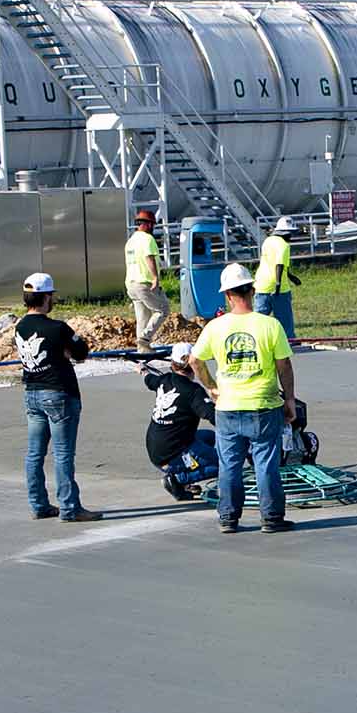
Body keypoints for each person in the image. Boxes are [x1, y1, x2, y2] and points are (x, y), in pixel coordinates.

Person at [187, 262, 296, 535]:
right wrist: (290, 401)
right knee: (265, 463)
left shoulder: (215, 327)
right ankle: (271, 517)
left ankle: (228, 518)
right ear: (252, 289)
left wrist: (211, 388)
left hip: (228, 406)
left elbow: (194, 361)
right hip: (263, 405)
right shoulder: (270, 325)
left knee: (230, 464)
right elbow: (284, 366)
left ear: (227, 295)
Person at [12, 272, 98, 521]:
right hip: (59, 393)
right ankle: (70, 508)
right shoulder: (57, 328)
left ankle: (39, 504)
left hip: (32, 392)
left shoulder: (20, 326)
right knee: (62, 454)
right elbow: (81, 352)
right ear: (45, 297)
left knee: (34, 453)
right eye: (51, 296)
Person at [142, 349, 214, 501]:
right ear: (194, 365)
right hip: (173, 454)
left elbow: (149, 380)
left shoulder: (164, 380)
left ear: (173, 365)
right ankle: (179, 479)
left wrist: (142, 370)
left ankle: (186, 476)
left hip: (157, 448)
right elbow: (213, 416)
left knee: (210, 437)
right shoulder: (194, 391)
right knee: (225, 463)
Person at [123, 206, 169, 348]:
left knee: (142, 317)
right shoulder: (148, 239)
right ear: (148, 224)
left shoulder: (131, 241)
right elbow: (149, 258)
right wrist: (155, 277)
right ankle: (145, 337)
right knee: (162, 309)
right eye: (152, 225)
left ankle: (142, 349)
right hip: (144, 282)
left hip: (131, 284)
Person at [252, 215, 298, 341]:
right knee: (284, 319)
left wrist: (290, 276)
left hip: (261, 285)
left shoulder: (268, 241)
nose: (291, 236)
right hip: (279, 289)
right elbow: (279, 264)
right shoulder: (284, 245)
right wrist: (277, 285)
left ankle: (255, 340)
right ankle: (289, 340)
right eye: (290, 233)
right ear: (286, 233)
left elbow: (273, 262)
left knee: (259, 318)